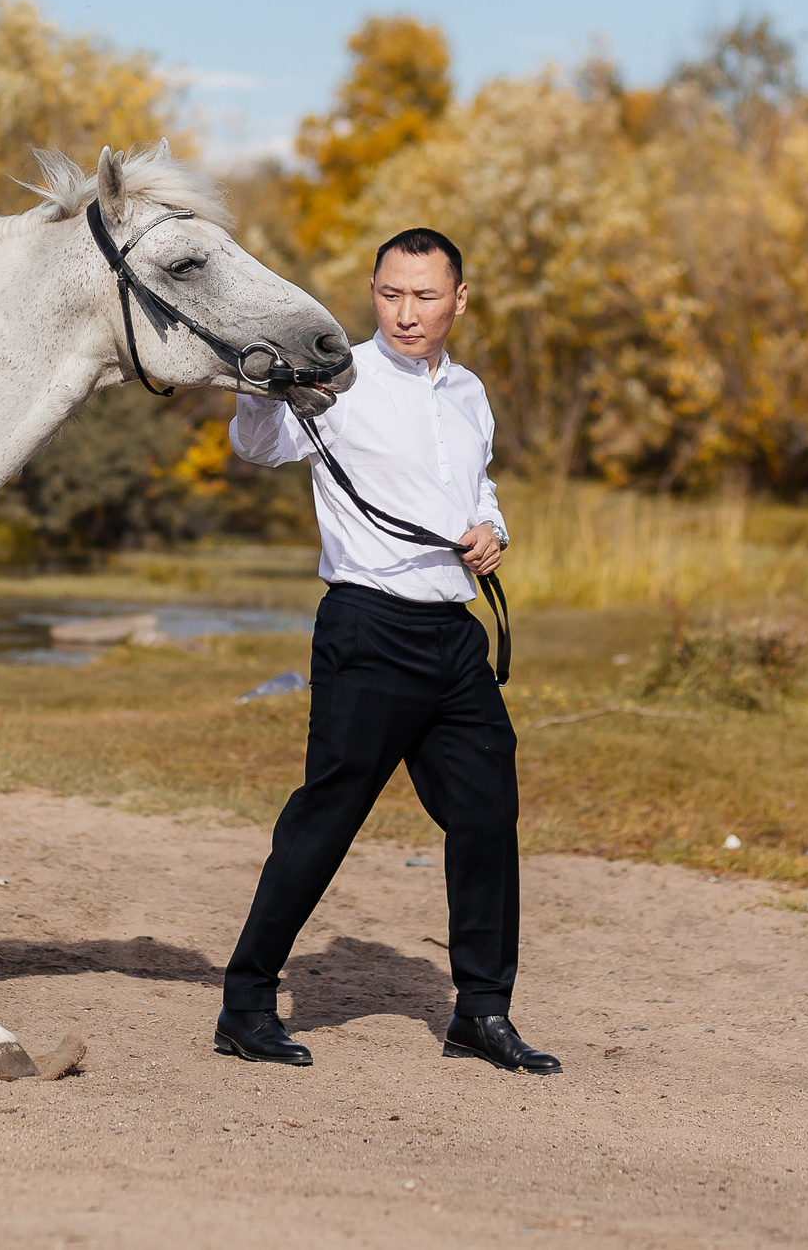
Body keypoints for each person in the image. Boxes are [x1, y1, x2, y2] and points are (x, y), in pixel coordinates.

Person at [212, 227, 559, 1075]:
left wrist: (492, 529)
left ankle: (481, 1010)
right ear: (373, 292)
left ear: (459, 299)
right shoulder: (340, 379)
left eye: (425, 296)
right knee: (326, 819)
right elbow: (257, 446)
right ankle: (247, 1002)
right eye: (391, 294)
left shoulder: (471, 390)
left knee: (487, 815)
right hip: (367, 629)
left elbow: (477, 484)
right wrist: (259, 389)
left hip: (453, 635)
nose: (406, 313)